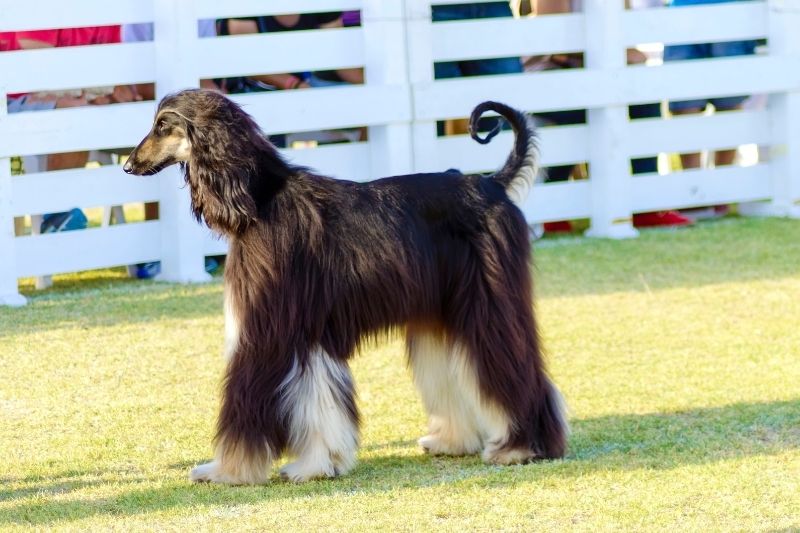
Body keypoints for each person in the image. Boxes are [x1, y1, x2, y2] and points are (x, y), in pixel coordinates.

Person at [663, 0, 758, 220]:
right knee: (685, 104)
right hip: (682, 13)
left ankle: (721, 190)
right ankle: (693, 190)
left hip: (733, 11)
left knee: (729, 102)